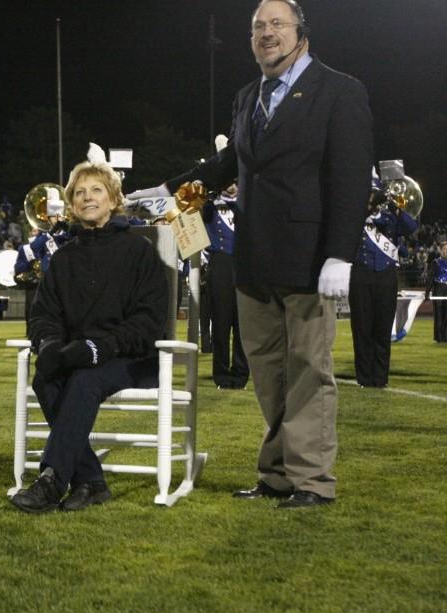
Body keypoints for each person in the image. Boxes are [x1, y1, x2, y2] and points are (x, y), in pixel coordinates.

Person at [128, 0, 373, 508]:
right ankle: (278, 475)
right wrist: (165, 192)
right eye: (259, 26)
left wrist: (340, 255)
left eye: (277, 24)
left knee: (309, 370)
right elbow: (226, 164)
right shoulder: (247, 96)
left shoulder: (341, 90)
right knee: (268, 374)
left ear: (301, 32)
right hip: (254, 258)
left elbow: (351, 179)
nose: (267, 33)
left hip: (310, 259)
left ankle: (312, 483)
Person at [10, 156, 168, 514]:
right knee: (46, 379)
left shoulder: (139, 252)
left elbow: (149, 321)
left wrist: (101, 347)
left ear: (114, 200)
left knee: (82, 379)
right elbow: (45, 314)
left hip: (134, 359)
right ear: (71, 204)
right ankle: (90, 481)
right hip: (81, 357)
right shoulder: (64, 258)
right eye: (79, 192)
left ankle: (51, 479)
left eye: (97, 190)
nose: (87, 197)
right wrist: (49, 343)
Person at [349, 178, 418, 387]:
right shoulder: (355, 215)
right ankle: (364, 378)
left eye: (374, 193)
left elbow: (411, 226)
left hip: (386, 275)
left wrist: (395, 207)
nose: (371, 196)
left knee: (382, 328)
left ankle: (380, 378)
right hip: (361, 274)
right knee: (362, 328)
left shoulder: (391, 216)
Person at [202, 181, 249, 389]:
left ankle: (240, 374)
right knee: (220, 323)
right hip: (219, 263)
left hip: (245, 264)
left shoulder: (249, 203)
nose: (230, 186)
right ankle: (220, 374)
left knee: (243, 324)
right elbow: (187, 217)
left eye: (234, 181)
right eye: (226, 181)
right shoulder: (209, 205)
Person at [429, 240, 447, 343]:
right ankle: (439, 337)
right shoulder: (436, 262)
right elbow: (430, 277)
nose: (446, 251)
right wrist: (427, 292)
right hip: (439, 288)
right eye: (444, 249)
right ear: (441, 250)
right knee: (439, 314)